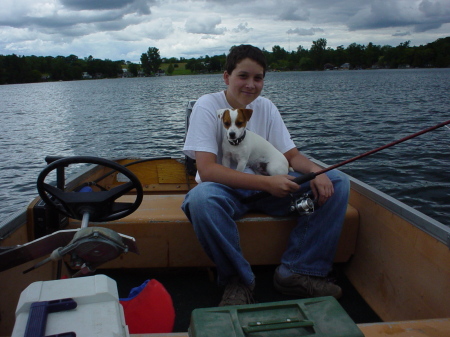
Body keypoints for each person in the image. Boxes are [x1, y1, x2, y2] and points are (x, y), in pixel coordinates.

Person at [182, 44, 350, 306]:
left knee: (338, 181)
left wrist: (317, 172)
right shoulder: (208, 105)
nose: (251, 84)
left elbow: (292, 156)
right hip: (224, 189)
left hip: (269, 187)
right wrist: (267, 183)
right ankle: (239, 281)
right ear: (226, 77)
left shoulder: (266, 107)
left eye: (258, 78)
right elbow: (207, 169)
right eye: (243, 76)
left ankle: (298, 271)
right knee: (200, 200)